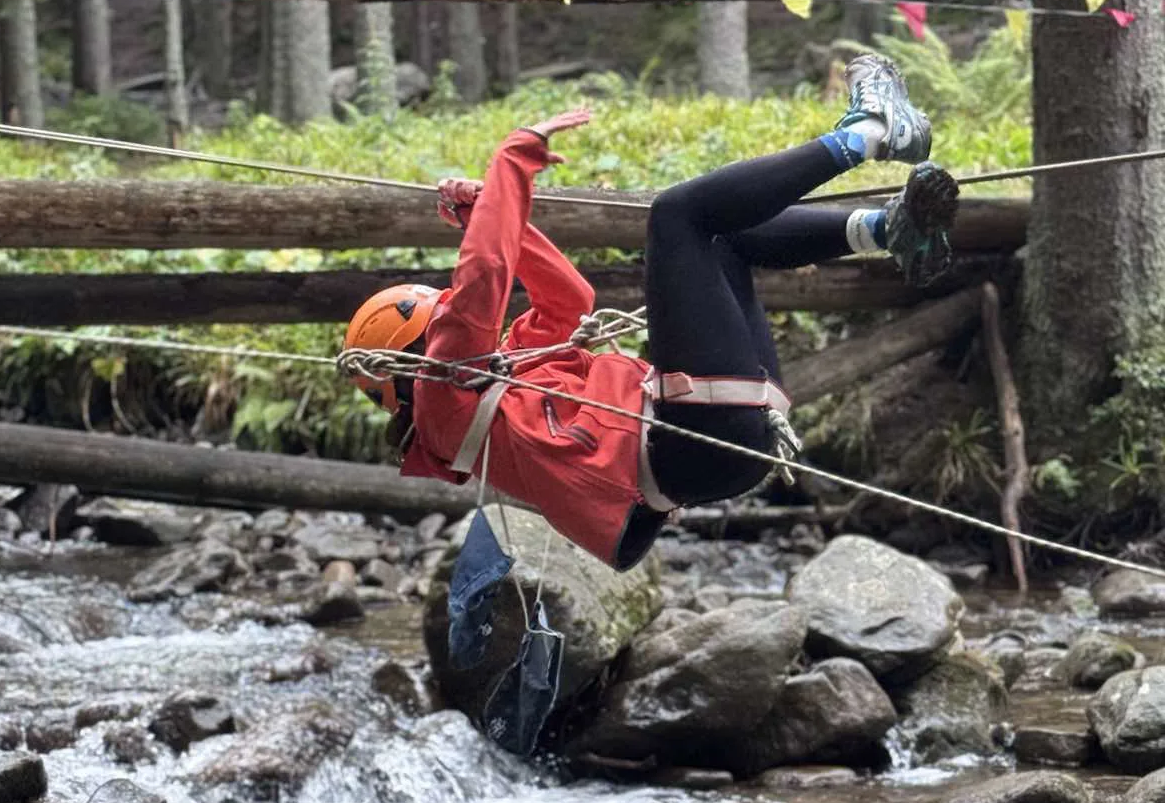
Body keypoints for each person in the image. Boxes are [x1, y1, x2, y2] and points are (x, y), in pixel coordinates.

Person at [342, 53, 957, 575]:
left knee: (724, 238)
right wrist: (509, 164)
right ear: (418, 342)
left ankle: (889, 231)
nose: (452, 313)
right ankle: (868, 132)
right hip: (693, 439)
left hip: (716, 444)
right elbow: (482, 280)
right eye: (441, 315)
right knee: (677, 217)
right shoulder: (443, 398)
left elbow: (569, 300)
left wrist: (489, 210)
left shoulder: (499, 379)